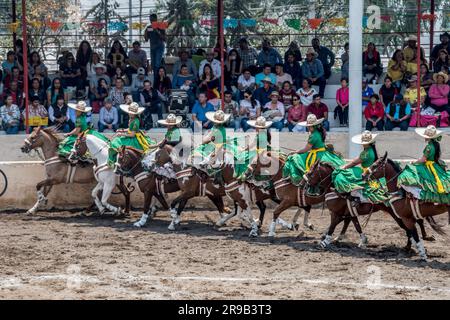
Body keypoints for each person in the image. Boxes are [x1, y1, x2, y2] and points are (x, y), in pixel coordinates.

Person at [283, 114, 345, 185]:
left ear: (314, 126)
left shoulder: (313, 136)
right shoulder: (319, 132)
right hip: (322, 152)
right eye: (308, 126)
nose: (308, 128)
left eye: (309, 126)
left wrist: (295, 152)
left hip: (317, 155)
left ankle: (298, 179)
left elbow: (306, 149)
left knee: (293, 158)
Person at [398, 125, 450, 205]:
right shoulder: (436, 144)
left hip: (429, 166)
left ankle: (418, 195)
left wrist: (413, 163)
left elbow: (423, 159)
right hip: (434, 165)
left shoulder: (429, 147)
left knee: (405, 176)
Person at [333, 131, 388, 206]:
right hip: (369, 170)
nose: (362, 144)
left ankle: (355, 196)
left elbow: (354, 163)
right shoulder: (372, 150)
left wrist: (344, 167)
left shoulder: (366, 153)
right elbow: (357, 159)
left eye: (364, 142)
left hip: (366, 172)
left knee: (342, 175)